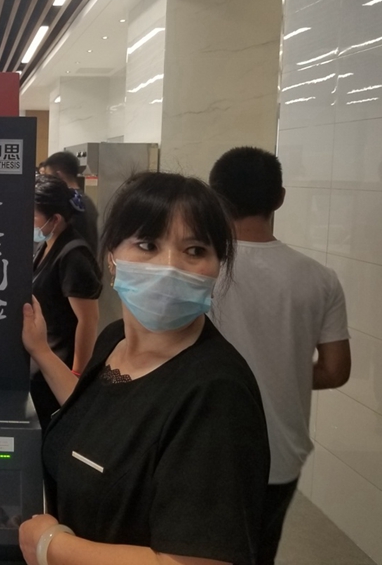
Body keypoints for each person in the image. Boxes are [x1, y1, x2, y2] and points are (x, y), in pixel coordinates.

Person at [20, 171, 269, 565]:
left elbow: (196, 561)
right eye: (148, 244)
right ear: (112, 259)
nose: (170, 267)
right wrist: (41, 350)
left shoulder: (216, 395)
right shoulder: (115, 340)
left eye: (195, 250)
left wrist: (51, 546)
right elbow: (96, 415)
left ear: (217, 265)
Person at [208, 147, 351, 565]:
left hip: (208, 446)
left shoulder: (202, 270)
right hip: (281, 452)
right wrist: (281, 370)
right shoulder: (321, 279)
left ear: (215, 199)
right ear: (280, 198)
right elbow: (335, 370)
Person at [31, 175, 101, 430]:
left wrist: (77, 374)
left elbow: (88, 319)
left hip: (63, 362)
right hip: (45, 358)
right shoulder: (46, 245)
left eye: (33, 216)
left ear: (55, 219)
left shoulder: (73, 255)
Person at [42, 151, 99, 256]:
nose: (46, 182)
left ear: (59, 175)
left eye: (48, 177)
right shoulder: (86, 201)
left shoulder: (66, 205)